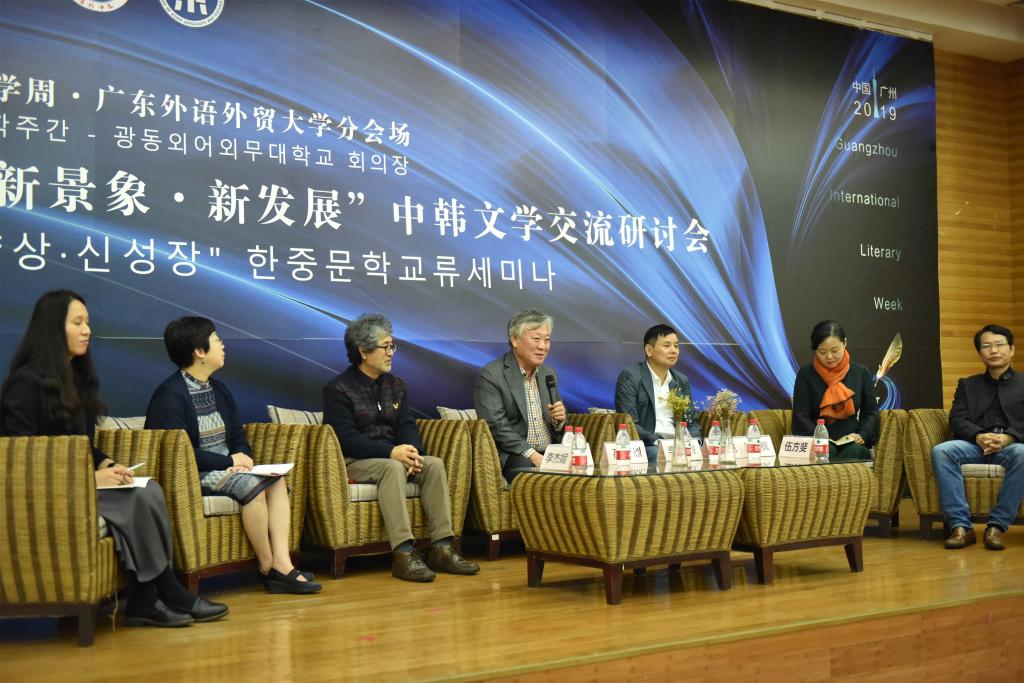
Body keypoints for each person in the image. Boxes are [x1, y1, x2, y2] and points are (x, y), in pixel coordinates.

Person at [0, 290, 228, 627]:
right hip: (45, 493)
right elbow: (19, 459)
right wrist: (89, 479)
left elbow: (80, 446)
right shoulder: (25, 384)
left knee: (147, 488)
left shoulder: (73, 379)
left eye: (88, 323)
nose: (87, 331)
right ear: (52, 328)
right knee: (136, 498)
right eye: (77, 323)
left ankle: (147, 597)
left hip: (77, 487)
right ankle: (163, 591)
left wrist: (107, 464)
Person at [145, 317, 320, 594]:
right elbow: (179, 456)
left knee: (275, 481)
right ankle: (268, 568)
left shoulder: (219, 389)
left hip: (228, 470)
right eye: (216, 340)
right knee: (253, 487)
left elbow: (238, 436)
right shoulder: (169, 395)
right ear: (199, 351)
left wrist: (242, 458)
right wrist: (229, 462)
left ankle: (283, 563)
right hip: (194, 476)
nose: (223, 345)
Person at [322, 313, 479, 582]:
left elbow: (407, 424)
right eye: (385, 347)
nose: (391, 353)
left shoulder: (395, 385)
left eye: (392, 346)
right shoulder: (338, 388)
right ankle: (404, 554)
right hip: (355, 460)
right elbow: (345, 439)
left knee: (433, 465)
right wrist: (391, 453)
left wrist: (411, 451)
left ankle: (442, 547)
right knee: (392, 468)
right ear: (363, 352)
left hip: (393, 456)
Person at [932, 324, 1024, 550]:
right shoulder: (968, 385)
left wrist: (1010, 437)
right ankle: (961, 527)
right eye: (987, 346)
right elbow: (957, 419)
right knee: (942, 451)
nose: (994, 350)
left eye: (999, 344)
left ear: (1012, 349)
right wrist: (979, 436)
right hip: (974, 445)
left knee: (1023, 453)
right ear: (980, 352)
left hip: (1012, 447)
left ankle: (997, 526)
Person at [474, 309, 566, 481]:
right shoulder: (492, 374)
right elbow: (496, 426)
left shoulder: (548, 373)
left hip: (551, 451)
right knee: (534, 475)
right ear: (514, 340)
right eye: (536, 339)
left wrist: (558, 421)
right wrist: (533, 455)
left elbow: (558, 429)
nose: (543, 346)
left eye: (547, 340)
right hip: (516, 454)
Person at [792, 320, 878, 462]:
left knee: (853, 451)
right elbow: (800, 415)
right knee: (826, 451)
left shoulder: (860, 372)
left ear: (845, 343)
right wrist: (819, 438)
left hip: (852, 440)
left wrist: (862, 435)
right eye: (822, 352)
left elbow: (871, 413)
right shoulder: (806, 374)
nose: (829, 357)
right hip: (818, 441)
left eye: (834, 350)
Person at [615, 324, 702, 463]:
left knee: (712, 453)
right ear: (649, 350)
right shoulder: (631, 376)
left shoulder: (681, 380)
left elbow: (691, 421)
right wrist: (657, 442)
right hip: (649, 445)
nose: (674, 350)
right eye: (667, 345)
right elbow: (629, 422)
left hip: (679, 446)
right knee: (661, 456)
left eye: (676, 346)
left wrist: (695, 442)